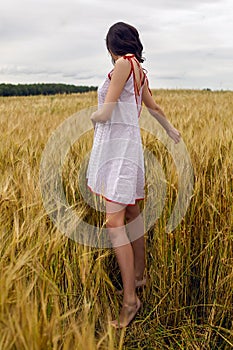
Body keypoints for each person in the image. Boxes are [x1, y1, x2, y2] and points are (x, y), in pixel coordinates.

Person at [86, 22, 181, 328]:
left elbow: (108, 109)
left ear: (111, 46)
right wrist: (170, 129)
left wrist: (93, 115)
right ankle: (139, 275)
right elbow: (153, 107)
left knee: (113, 222)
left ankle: (131, 301)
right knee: (131, 212)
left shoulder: (123, 65)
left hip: (118, 150)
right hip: (130, 147)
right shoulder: (139, 70)